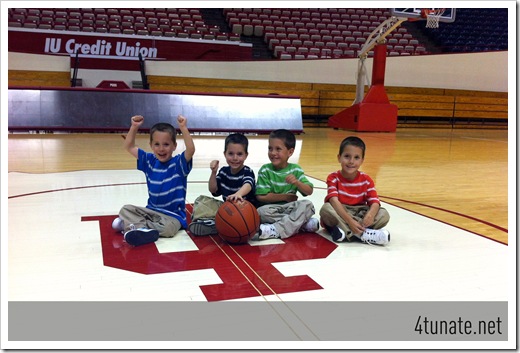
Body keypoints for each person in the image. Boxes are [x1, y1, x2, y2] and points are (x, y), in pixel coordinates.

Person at [111, 114, 195, 246]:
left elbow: (190, 150)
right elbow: (129, 146)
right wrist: (134, 127)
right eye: (157, 144)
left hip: (173, 217)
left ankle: (133, 226)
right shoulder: (149, 161)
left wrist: (183, 128)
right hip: (151, 211)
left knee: (169, 229)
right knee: (125, 209)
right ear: (151, 145)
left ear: (174, 146)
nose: (161, 148)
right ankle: (138, 227)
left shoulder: (179, 164)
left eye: (166, 144)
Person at [319, 136, 390, 245]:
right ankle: (363, 234)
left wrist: (369, 216)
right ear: (339, 157)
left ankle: (346, 232)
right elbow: (333, 201)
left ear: (362, 160)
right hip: (342, 212)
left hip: (360, 213)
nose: (351, 161)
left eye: (356, 157)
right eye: (347, 156)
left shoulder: (366, 179)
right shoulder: (333, 177)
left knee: (383, 214)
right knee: (326, 209)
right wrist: (350, 221)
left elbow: (375, 202)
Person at [254, 129, 319, 240]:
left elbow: (309, 191)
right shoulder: (265, 170)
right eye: (270, 148)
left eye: (278, 149)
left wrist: (297, 183)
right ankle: (301, 224)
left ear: (290, 152)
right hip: (272, 209)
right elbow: (261, 196)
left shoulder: (296, 169)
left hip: (290, 208)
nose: (273, 153)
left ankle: (275, 229)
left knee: (307, 205)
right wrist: (285, 197)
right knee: (260, 212)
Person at [188, 133, 257, 236]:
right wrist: (213, 172)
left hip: (244, 211)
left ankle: (217, 225)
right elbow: (213, 190)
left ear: (246, 155)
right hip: (228, 209)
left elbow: (248, 184)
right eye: (231, 154)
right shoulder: (223, 171)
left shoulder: (247, 171)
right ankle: (217, 224)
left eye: (239, 154)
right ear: (225, 154)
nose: (235, 158)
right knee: (201, 200)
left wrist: (238, 194)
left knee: (256, 214)